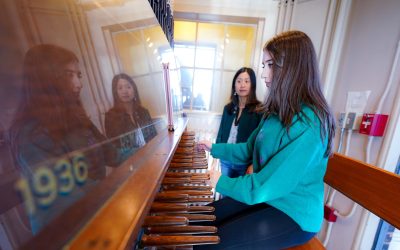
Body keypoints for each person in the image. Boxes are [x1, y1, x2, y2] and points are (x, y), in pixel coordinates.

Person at [196, 30, 336, 249]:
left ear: (292, 68)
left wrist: (219, 181)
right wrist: (212, 148)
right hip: (269, 196)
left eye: (270, 65)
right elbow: (248, 149)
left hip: (294, 212)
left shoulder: (311, 124)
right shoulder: (276, 112)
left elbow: (265, 186)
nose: (263, 74)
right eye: (264, 66)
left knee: (212, 245)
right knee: (198, 223)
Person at [10, 44, 132, 234]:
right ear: (46, 80)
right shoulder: (30, 134)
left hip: (94, 214)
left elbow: (113, 154)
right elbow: (68, 196)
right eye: (69, 75)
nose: (79, 83)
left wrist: (151, 151)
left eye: (78, 75)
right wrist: (122, 188)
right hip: (65, 232)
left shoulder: (77, 118)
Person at [216, 67, 261, 178]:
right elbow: (221, 134)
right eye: (239, 81)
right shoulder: (228, 108)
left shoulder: (259, 110)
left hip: (244, 163)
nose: (242, 85)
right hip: (226, 160)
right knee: (224, 191)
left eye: (247, 81)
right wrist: (217, 153)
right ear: (234, 85)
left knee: (239, 194)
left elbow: (260, 142)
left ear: (252, 85)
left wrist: (253, 164)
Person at [105, 73, 157, 151]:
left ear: (134, 90)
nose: (125, 91)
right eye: (120, 88)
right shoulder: (111, 117)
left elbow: (154, 137)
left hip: (151, 153)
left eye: (128, 87)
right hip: (129, 160)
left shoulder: (144, 112)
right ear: (115, 92)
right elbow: (115, 148)